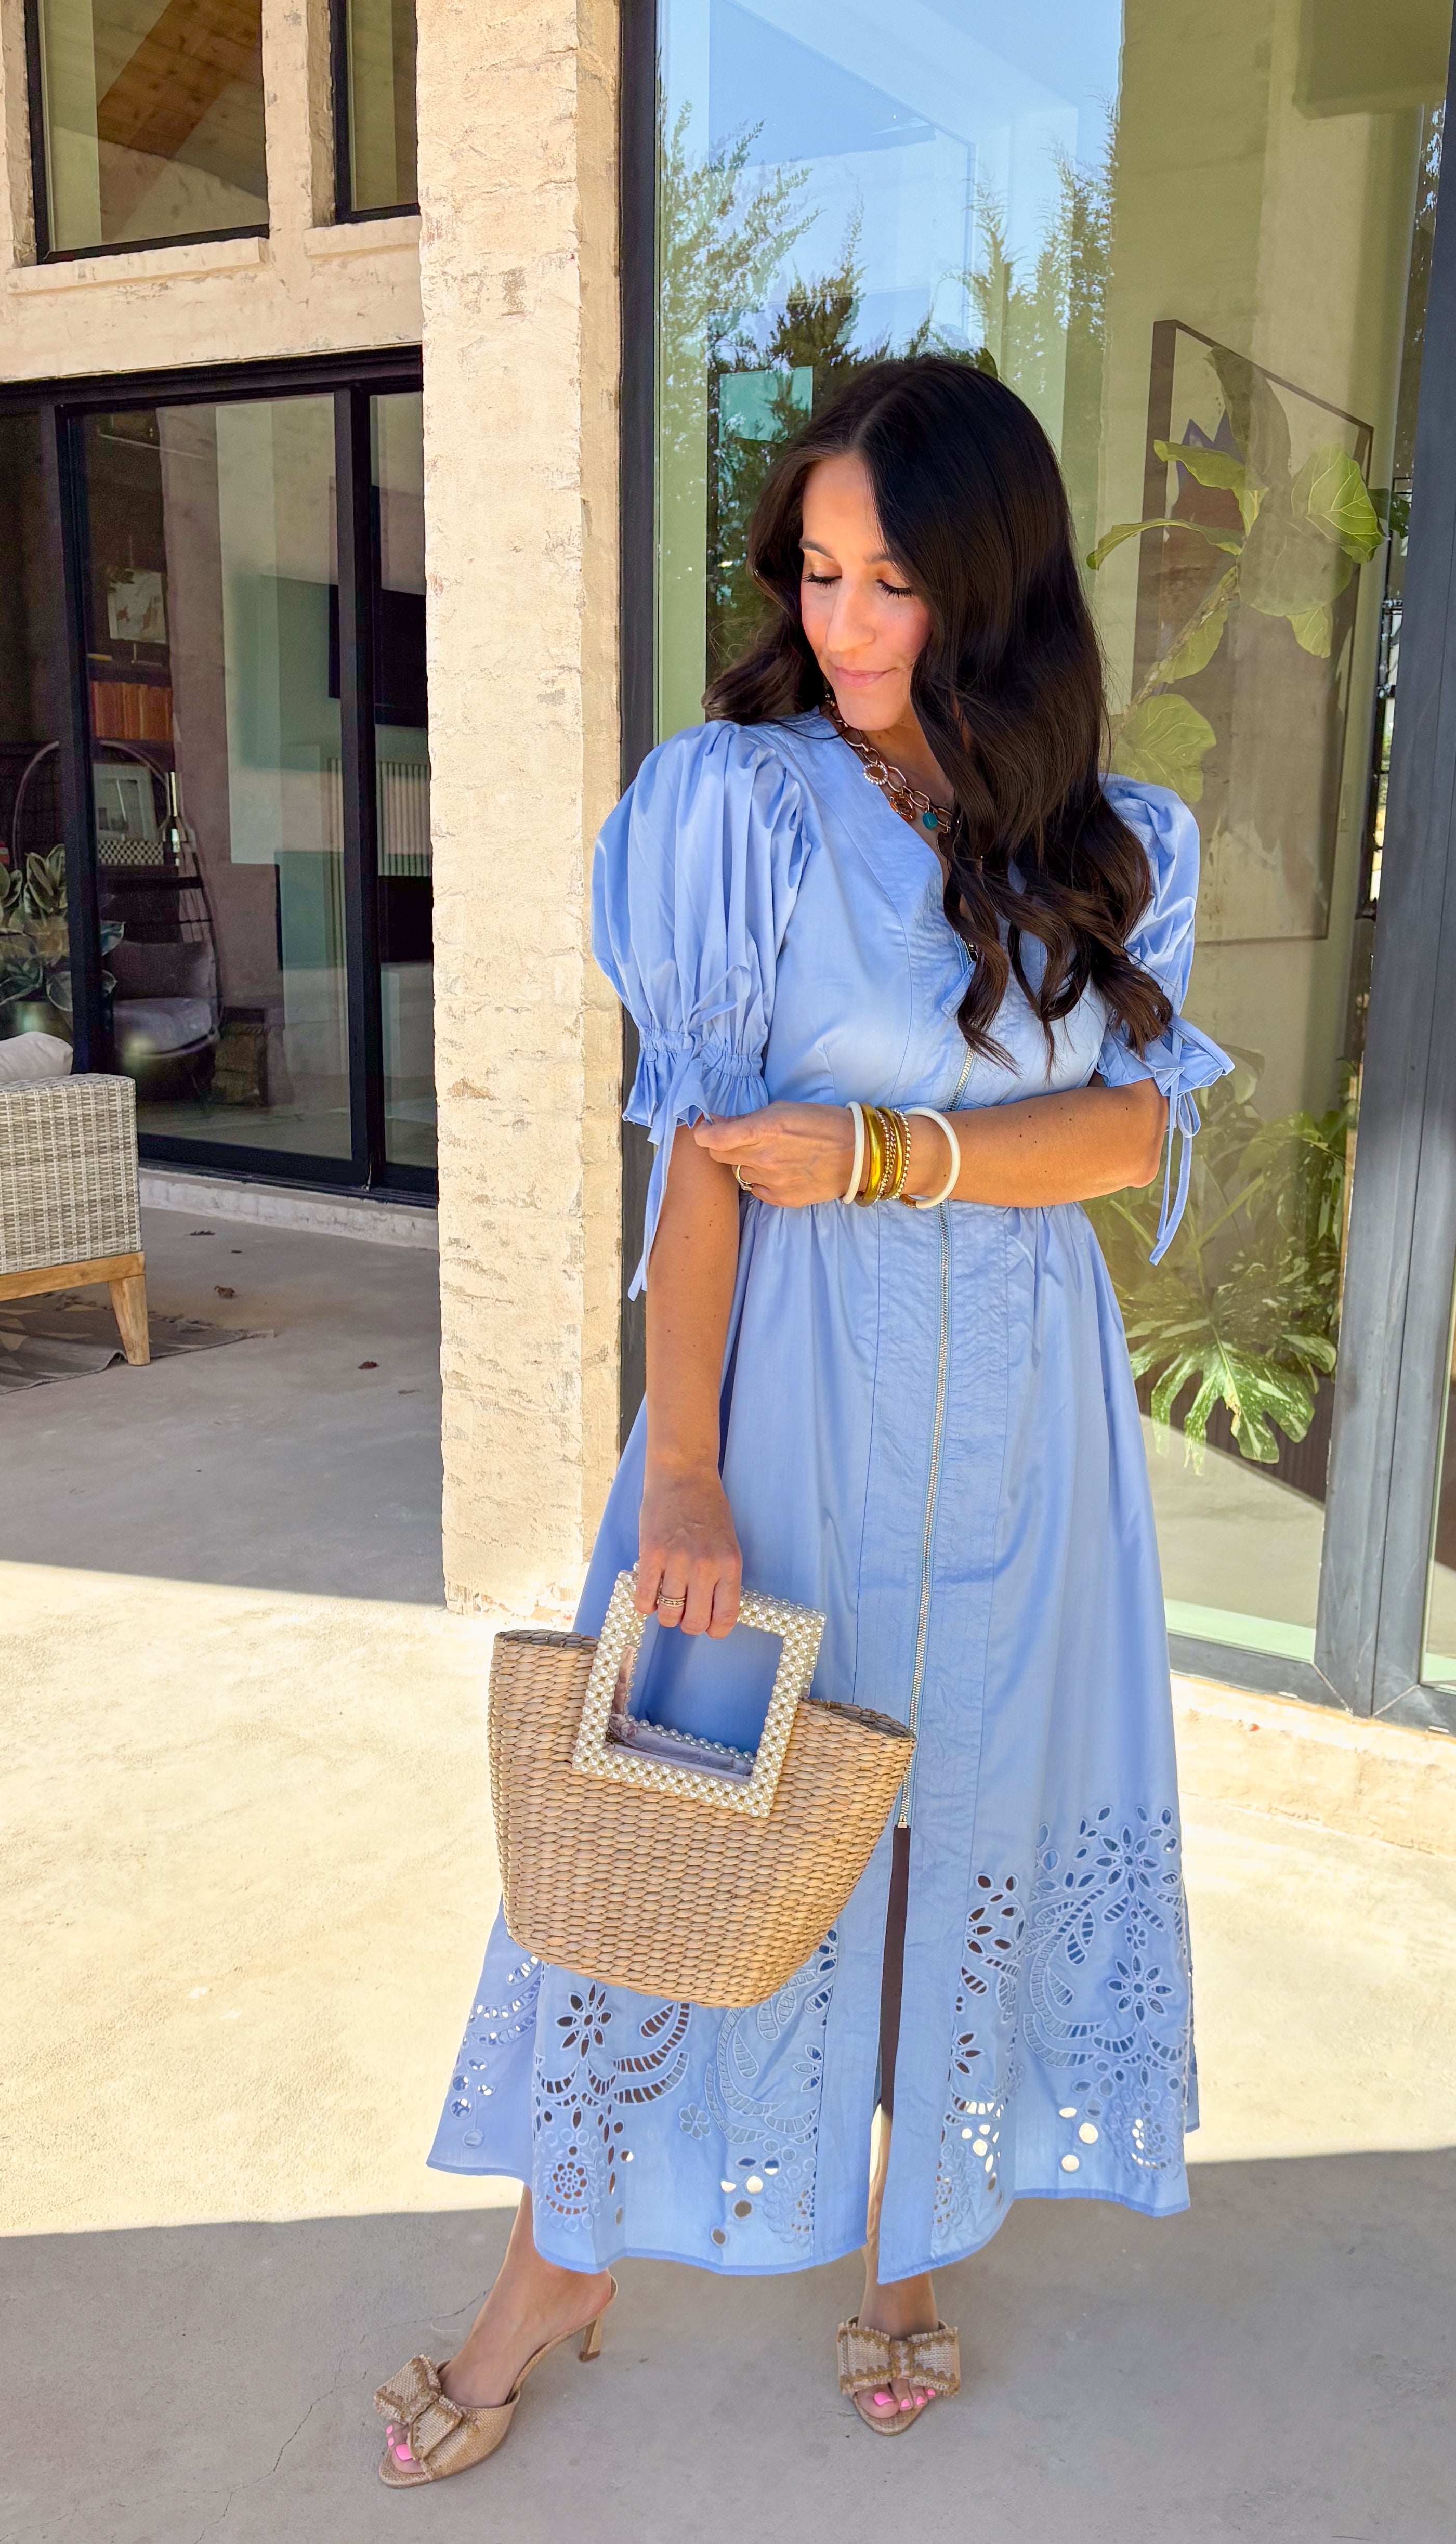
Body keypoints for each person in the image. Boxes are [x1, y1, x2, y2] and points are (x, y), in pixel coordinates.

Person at [374, 356, 1229, 2483]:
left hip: (1030, 1441)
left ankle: (903, 2237)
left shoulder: (1115, 842)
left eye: (893, 581)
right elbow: (697, 1158)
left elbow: (1129, 1139)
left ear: (991, 591)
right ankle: (553, 2261)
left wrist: (881, 1153)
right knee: (669, 1817)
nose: (844, 622)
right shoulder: (733, 808)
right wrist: (679, 1465)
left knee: (948, 1824)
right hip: (783, 1415)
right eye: (818, 572)